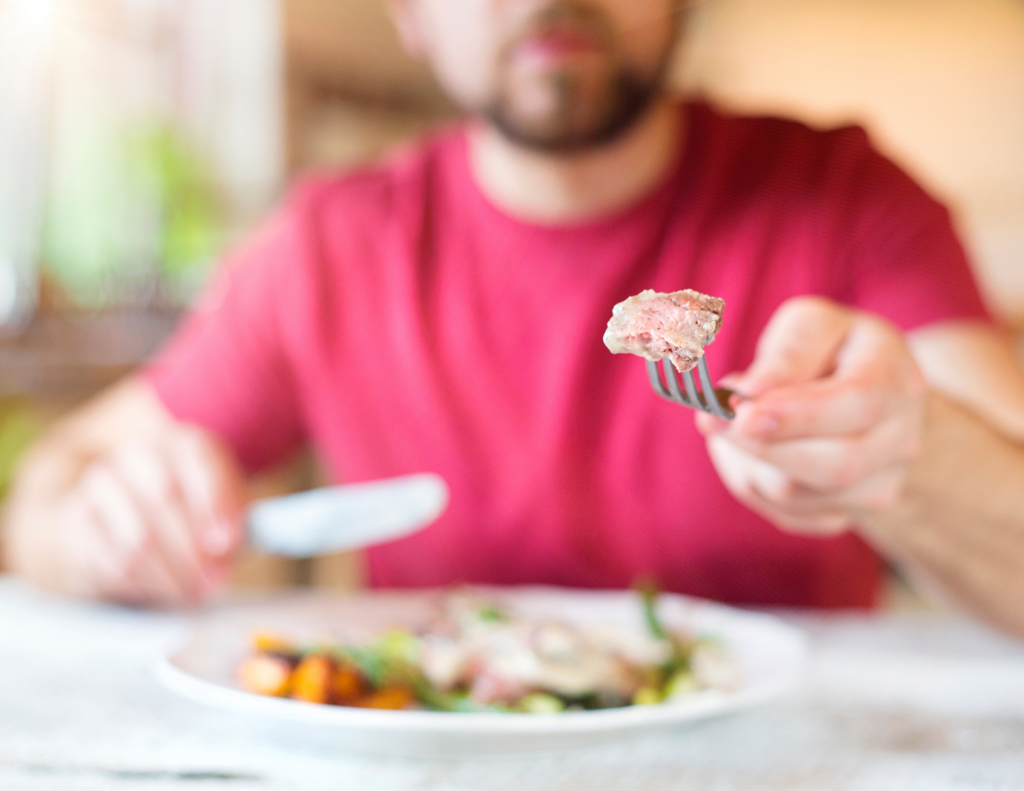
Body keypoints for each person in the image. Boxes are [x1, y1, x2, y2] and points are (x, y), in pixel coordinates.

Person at [7, 0, 1024, 635]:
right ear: (409, 13)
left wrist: (914, 452)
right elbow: (46, 496)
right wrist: (103, 527)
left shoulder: (847, 197)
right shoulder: (331, 242)